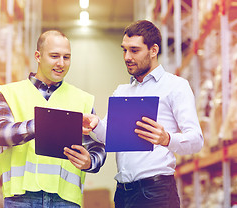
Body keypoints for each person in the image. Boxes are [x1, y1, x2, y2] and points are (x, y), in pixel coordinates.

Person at [84, 20, 204, 208]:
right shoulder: (122, 92)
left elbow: (196, 140)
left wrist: (167, 139)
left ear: (153, 50)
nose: (127, 57)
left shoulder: (175, 86)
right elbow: (110, 136)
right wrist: (95, 124)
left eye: (134, 50)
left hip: (156, 193)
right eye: (124, 50)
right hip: (123, 193)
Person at [0, 30, 106, 208]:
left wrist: (90, 161)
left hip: (66, 200)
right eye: (54, 56)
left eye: (66, 57)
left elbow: (97, 146)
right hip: (21, 198)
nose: (61, 63)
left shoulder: (82, 99)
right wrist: (43, 124)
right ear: (38, 56)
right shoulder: (10, 93)